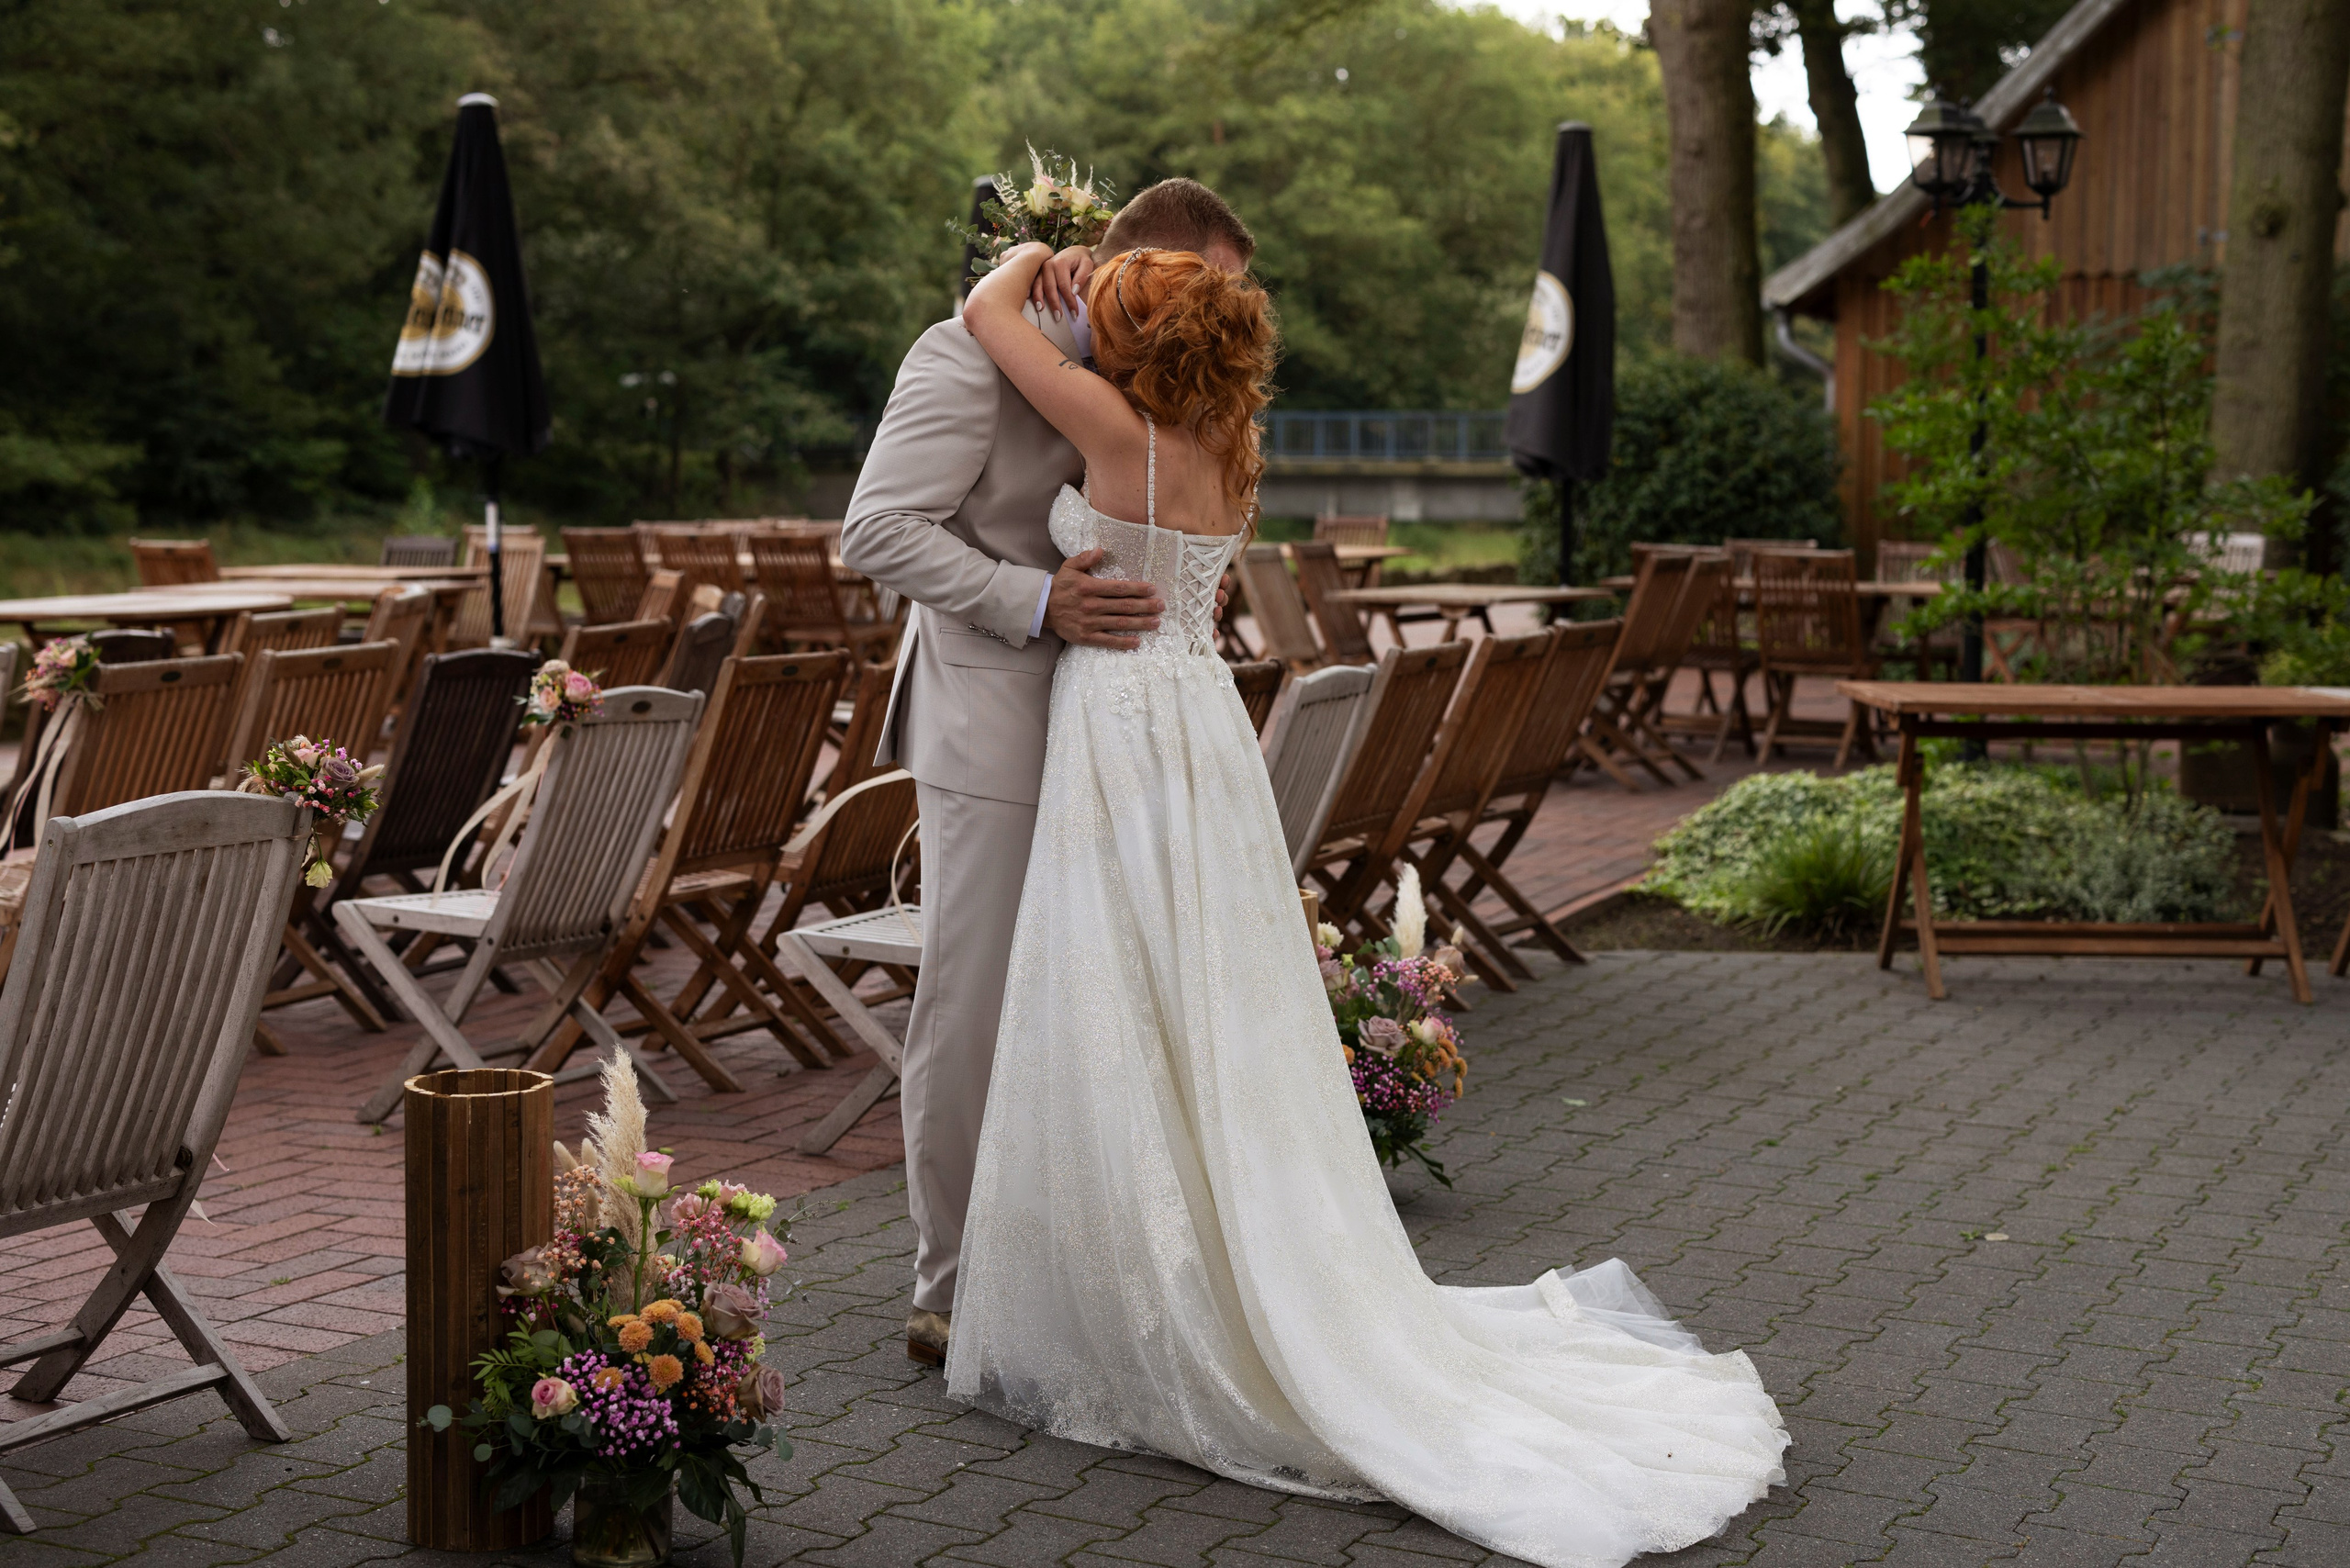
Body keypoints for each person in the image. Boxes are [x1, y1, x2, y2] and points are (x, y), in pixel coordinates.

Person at [942, 240, 1791, 1567]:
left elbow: (991, 315)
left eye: (1111, 319)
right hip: (1197, 731)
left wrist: (1034, 259)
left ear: (1141, 351)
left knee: (1116, 980)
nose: (1089, 333)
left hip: (1118, 721)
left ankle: (1144, 1297)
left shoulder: (1117, 434)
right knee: (1199, 986)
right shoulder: (1220, 447)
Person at [840, 178, 1255, 1370]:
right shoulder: (968, 351)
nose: (1214, 321)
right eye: (1206, 289)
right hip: (994, 720)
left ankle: (1073, 1253)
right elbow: (877, 531)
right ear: (1145, 264)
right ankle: (951, 1283)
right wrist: (1038, 599)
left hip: (1113, 725)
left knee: (1097, 991)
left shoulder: (1150, 382)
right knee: (975, 1001)